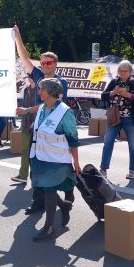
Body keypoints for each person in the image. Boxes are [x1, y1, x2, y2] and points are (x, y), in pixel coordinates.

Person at [13, 24, 70, 214]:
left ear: (55, 64)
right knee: (35, 165)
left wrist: (27, 109)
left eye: (49, 63)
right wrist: (17, 37)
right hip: (36, 127)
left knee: (51, 166)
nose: (45, 65)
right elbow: (24, 57)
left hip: (53, 131)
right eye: (43, 63)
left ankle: (65, 196)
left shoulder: (60, 83)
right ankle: (38, 203)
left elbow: (49, 106)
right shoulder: (37, 75)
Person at [29, 79, 80, 241]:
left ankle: (49, 228)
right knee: (44, 189)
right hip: (40, 157)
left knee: (49, 190)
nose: (39, 92)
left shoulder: (65, 112)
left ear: (51, 92)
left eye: (41, 90)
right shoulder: (43, 108)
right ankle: (64, 205)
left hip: (57, 160)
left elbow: (73, 139)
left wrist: (76, 162)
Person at [100, 60, 134, 180]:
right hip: (114, 117)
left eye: (126, 71)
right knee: (107, 143)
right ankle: (103, 169)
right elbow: (103, 96)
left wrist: (128, 95)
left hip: (130, 118)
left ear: (130, 72)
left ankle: (133, 170)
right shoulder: (114, 82)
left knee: (133, 145)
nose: (123, 73)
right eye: (121, 70)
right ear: (118, 72)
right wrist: (113, 92)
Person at [11, 75, 36, 184]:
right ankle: (22, 175)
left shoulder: (42, 90)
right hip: (26, 124)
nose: (30, 78)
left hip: (37, 124)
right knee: (25, 150)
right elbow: (25, 107)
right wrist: (22, 123)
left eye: (32, 77)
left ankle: (36, 177)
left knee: (36, 153)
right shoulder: (26, 89)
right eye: (29, 77)